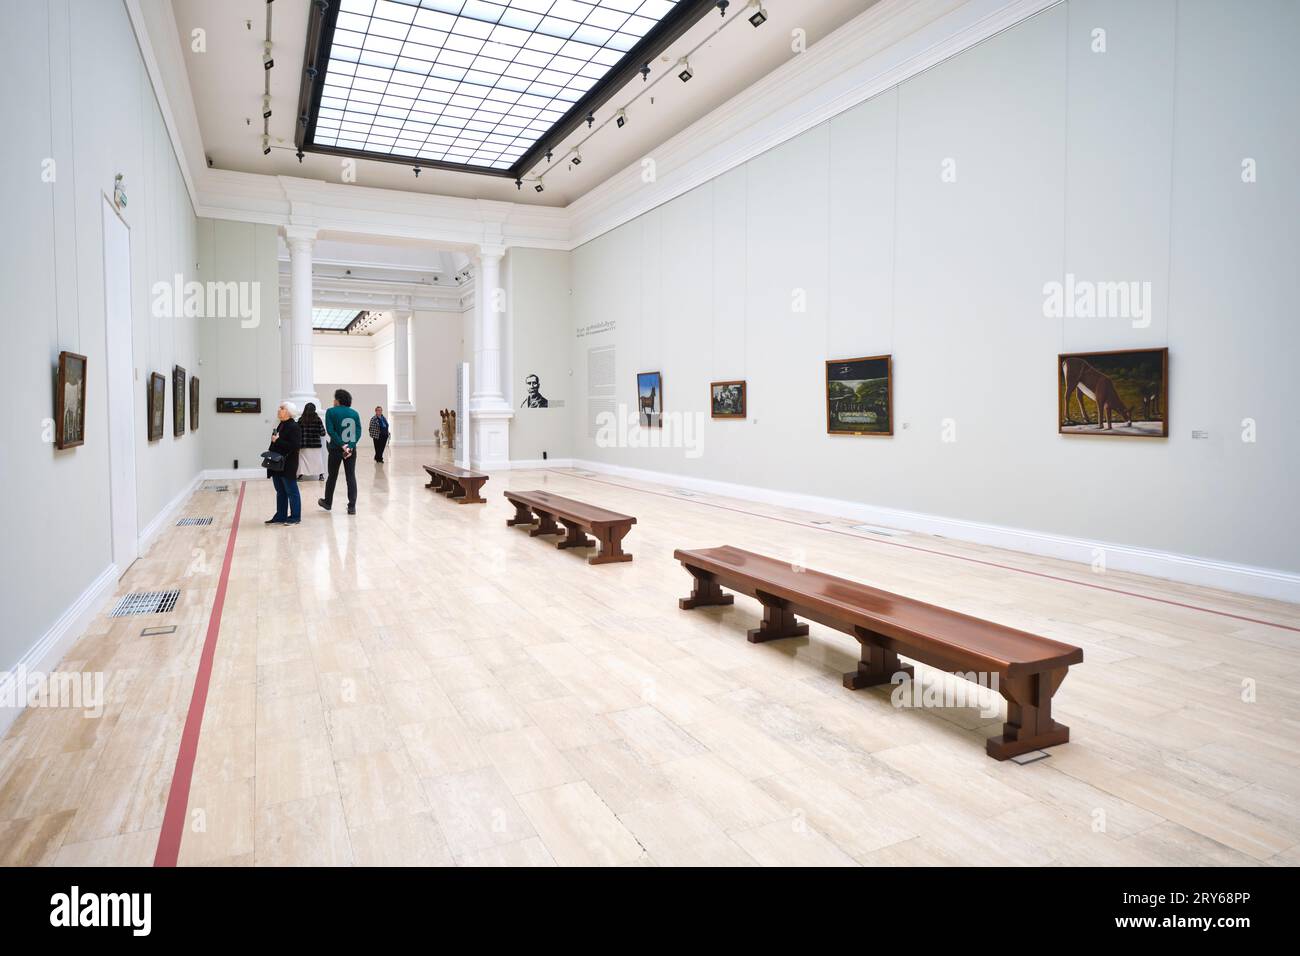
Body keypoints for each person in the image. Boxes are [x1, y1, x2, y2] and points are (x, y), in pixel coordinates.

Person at [319, 388, 362, 515]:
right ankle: (352, 506)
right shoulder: (355, 413)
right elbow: (358, 432)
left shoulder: (331, 412)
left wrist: (342, 445)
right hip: (351, 450)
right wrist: (350, 446)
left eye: (334, 398)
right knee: (351, 476)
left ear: (338, 400)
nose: (333, 401)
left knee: (332, 476)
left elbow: (331, 431)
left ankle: (327, 502)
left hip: (335, 449)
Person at [266, 402, 302, 525]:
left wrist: (278, 441)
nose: (279, 410)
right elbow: (274, 442)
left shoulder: (294, 427)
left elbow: (295, 446)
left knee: (291, 491)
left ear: (288, 412)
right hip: (276, 463)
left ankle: (295, 517)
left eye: (282, 408)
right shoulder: (280, 425)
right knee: (280, 491)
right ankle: (280, 516)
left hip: (288, 464)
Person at [297, 402, 326, 480]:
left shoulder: (301, 420)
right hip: (316, 445)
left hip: (304, 445)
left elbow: (297, 433)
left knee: (303, 461)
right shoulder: (318, 419)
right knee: (318, 461)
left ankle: (300, 476)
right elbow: (323, 433)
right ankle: (321, 476)